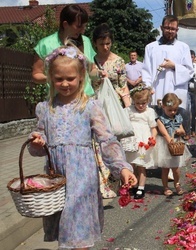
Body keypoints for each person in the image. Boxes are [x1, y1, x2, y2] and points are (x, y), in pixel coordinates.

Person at [28, 45, 137, 249]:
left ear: (81, 76)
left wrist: (121, 166)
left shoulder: (90, 106)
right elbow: (38, 143)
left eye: (70, 78)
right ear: (51, 78)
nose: (65, 83)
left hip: (82, 179)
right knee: (64, 229)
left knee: (78, 230)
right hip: (57, 179)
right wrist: (37, 142)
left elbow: (107, 140)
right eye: (59, 78)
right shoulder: (45, 108)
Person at [142, 15, 194, 138]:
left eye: (173, 29)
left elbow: (189, 71)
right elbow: (146, 70)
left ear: (177, 30)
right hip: (157, 92)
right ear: (161, 27)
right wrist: (148, 87)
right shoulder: (151, 47)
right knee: (158, 129)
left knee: (176, 131)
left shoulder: (183, 47)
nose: (170, 31)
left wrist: (174, 66)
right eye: (167, 28)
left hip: (176, 92)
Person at [32, 4, 96, 96]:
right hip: (57, 102)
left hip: (85, 99)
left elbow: (91, 70)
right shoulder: (45, 44)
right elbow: (36, 75)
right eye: (79, 26)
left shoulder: (86, 41)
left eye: (84, 26)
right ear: (65, 24)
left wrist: (98, 74)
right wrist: (55, 78)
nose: (83, 30)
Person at [120, 83, 157, 200]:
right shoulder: (129, 110)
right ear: (133, 101)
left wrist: (153, 137)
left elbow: (153, 127)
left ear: (148, 101)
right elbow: (123, 123)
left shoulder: (150, 112)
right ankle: (131, 184)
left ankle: (141, 187)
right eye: (138, 103)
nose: (141, 106)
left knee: (141, 165)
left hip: (144, 141)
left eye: (143, 103)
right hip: (131, 140)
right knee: (131, 164)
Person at [154, 93, 192, 196]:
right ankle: (165, 187)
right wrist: (170, 140)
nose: (173, 112)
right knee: (165, 168)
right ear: (163, 107)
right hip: (166, 145)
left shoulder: (178, 117)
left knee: (176, 168)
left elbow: (182, 130)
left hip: (176, 143)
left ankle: (177, 184)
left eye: (175, 110)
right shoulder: (160, 120)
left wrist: (181, 131)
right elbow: (165, 134)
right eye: (169, 110)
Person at [91, 23, 128, 100]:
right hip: (97, 104)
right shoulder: (91, 61)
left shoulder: (119, 61)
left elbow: (123, 86)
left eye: (108, 43)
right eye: (101, 44)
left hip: (115, 103)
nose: (105, 47)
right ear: (95, 43)